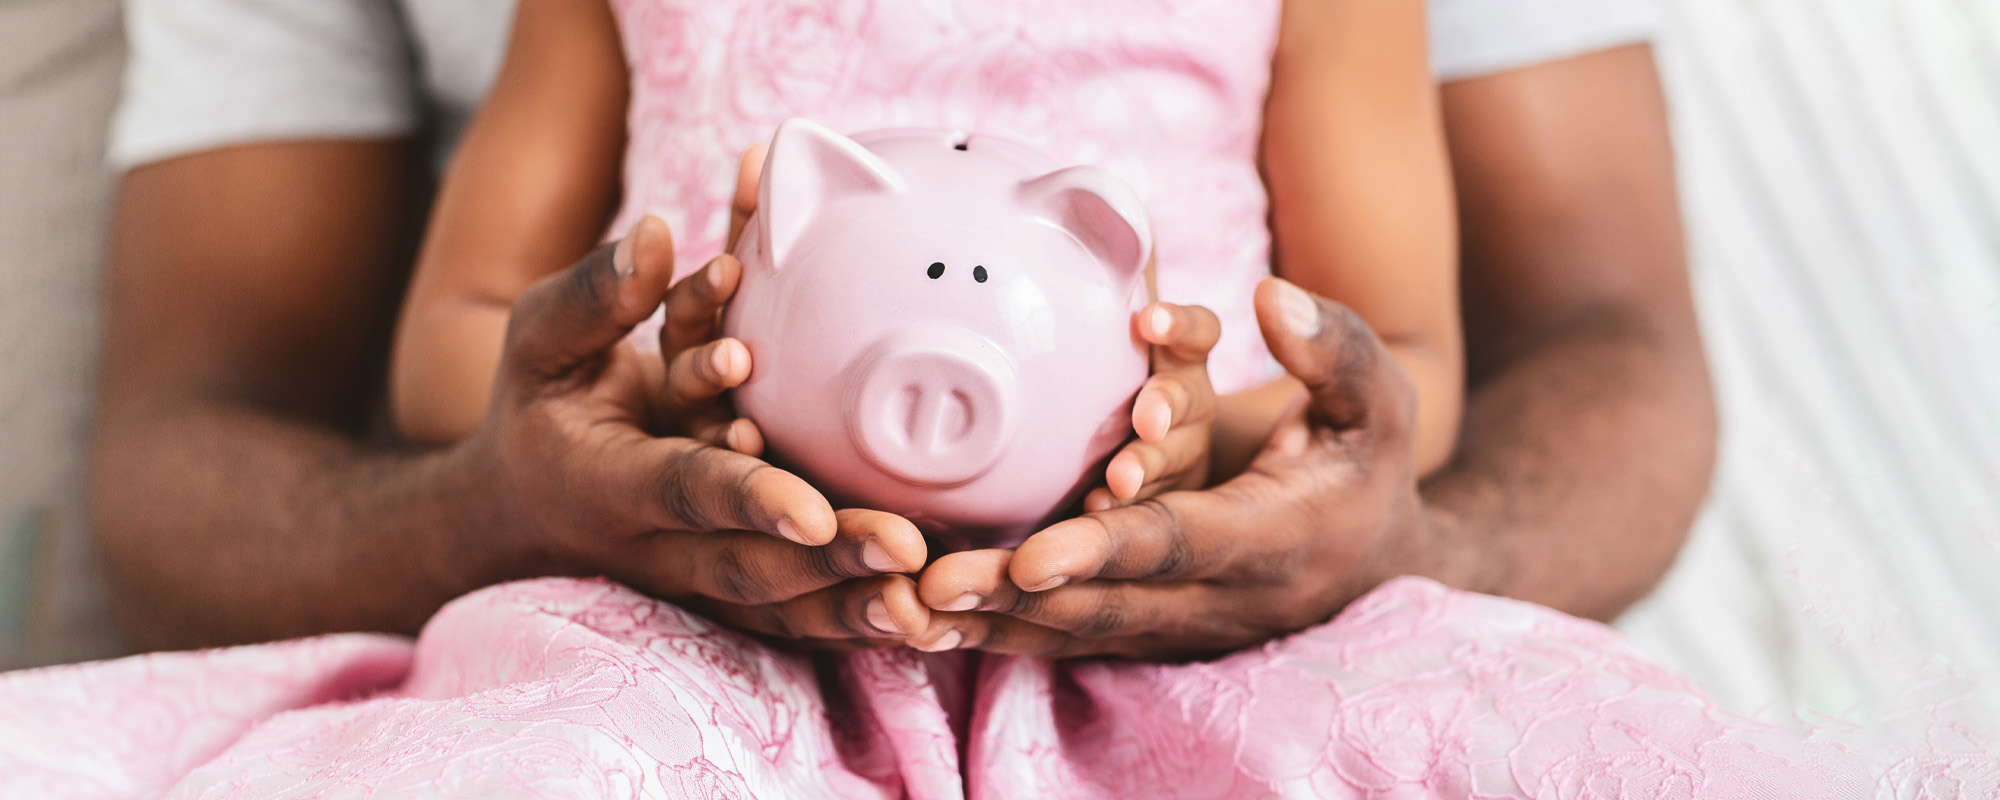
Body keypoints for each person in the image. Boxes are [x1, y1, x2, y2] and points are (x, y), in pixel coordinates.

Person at [94, 0, 1711, 659]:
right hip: (667, 638)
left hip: (1192, 653)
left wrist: (1206, 453)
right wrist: (621, 416)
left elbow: (1396, 363)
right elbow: (456, 335)